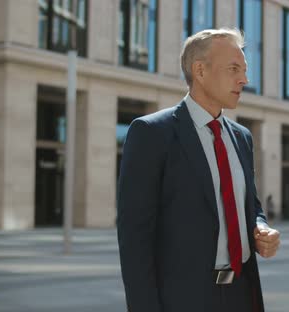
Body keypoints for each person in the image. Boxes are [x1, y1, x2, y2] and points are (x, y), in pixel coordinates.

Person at [117, 28, 280, 312]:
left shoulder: (242, 137)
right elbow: (134, 238)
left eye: (244, 69)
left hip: (242, 293)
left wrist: (260, 227)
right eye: (233, 69)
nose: (244, 79)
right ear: (200, 71)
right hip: (183, 299)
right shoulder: (152, 133)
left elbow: (250, 205)